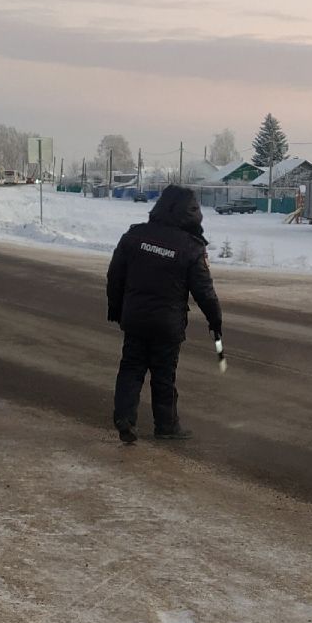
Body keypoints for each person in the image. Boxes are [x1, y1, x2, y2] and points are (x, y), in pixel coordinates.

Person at [106, 184, 222, 443]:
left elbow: (115, 275)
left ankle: (125, 418)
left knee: (131, 368)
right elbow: (204, 291)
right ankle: (166, 425)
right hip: (167, 324)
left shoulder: (135, 236)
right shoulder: (191, 247)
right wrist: (215, 319)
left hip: (135, 318)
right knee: (163, 375)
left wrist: (115, 306)